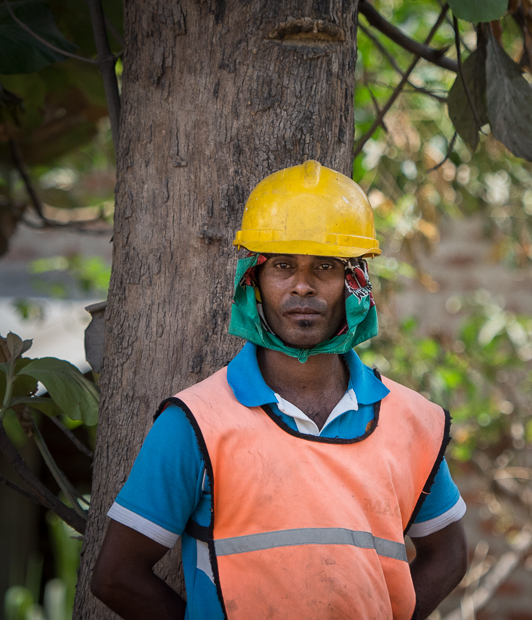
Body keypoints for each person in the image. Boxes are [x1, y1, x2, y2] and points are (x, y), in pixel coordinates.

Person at [91, 161, 468, 619]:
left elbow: (448, 555)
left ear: (356, 285)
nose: (302, 286)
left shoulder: (411, 420)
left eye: (325, 268)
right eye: (283, 266)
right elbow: (116, 576)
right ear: (253, 281)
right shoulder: (196, 423)